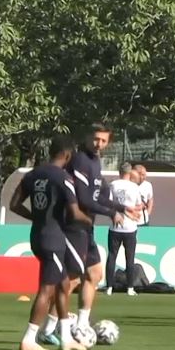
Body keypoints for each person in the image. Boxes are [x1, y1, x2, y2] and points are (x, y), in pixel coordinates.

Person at [8, 136, 92, 350]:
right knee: (47, 289)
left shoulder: (32, 174)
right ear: (68, 155)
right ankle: (29, 339)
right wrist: (89, 220)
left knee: (63, 284)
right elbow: (74, 213)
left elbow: (14, 205)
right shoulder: (63, 178)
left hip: (38, 235)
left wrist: (37, 217)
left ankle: (66, 339)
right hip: (53, 239)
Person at [60, 124, 140, 329]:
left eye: (104, 140)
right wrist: (112, 213)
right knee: (73, 278)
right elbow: (84, 199)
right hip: (73, 225)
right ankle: (50, 326)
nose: (99, 144)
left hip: (87, 227)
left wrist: (123, 208)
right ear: (87, 137)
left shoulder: (95, 162)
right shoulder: (80, 160)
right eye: (96, 139)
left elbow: (99, 197)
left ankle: (82, 324)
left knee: (94, 274)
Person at [105, 163, 143, 296]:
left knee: (112, 256)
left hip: (115, 226)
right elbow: (139, 205)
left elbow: (109, 204)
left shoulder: (113, 185)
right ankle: (130, 288)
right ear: (130, 172)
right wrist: (133, 210)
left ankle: (109, 287)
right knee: (130, 258)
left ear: (119, 172)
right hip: (130, 227)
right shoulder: (134, 186)